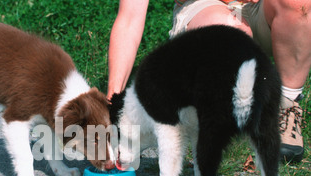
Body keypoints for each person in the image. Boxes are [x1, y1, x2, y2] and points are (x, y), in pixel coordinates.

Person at [107, 0, 311, 163]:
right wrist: (112, 106)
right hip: (205, 11)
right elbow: (130, 19)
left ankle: (287, 108)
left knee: (299, 3)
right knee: (227, 28)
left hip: (260, 10)